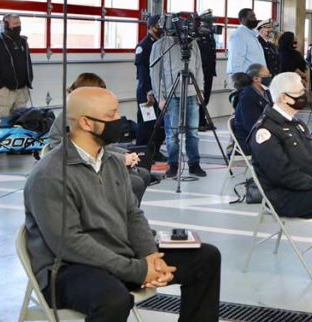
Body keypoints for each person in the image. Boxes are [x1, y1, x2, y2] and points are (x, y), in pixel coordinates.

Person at [24, 87, 232, 322]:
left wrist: (150, 255)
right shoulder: (50, 175)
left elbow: (132, 214)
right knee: (111, 299)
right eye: (110, 117)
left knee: (205, 257)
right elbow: (71, 243)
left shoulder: (110, 162)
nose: (120, 122)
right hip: (66, 269)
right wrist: (138, 270)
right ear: (84, 123)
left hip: (116, 256)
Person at [249, 72, 312, 283]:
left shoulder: (296, 123)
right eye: (299, 93)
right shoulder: (266, 130)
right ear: (283, 97)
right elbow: (281, 174)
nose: (304, 96)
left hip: (307, 186)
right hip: (285, 195)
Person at [46, 73, 153, 205]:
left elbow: (102, 146)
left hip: (89, 159)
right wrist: (122, 159)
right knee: (134, 182)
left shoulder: (88, 113)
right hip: (75, 164)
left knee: (143, 174)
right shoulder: (73, 116)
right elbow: (87, 150)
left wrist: (125, 154)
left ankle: (128, 215)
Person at [150, 27, 205, 179]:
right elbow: (155, 73)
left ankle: (194, 164)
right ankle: (173, 164)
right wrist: (159, 97)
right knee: (172, 133)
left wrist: (200, 90)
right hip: (170, 94)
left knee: (193, 131)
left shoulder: (193, 44)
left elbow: (199, 68)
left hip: (192, 93)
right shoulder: (160, 45)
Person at [0, 13, 33, 118]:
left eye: (19, 23)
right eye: (14, 24)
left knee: (21, 120)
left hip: (22, 89)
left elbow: (27, 62)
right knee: (3, 121)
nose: (17, 27)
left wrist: (29, 80)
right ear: (6, 25)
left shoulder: (23, 42)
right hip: (5, 91)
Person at [133, 15, 165, 155]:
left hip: (160, 89)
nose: (161, 29)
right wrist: (148, 91)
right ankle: (142, 151)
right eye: (158, 26)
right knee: (147, 123)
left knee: (159, 124)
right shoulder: (144, 45)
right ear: (151, 27)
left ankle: (155, 150)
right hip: (147, 91)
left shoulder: (162, 44)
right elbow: (143, 72)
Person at [231, 64, 272, 152]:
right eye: (267, 76)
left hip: (264, 133)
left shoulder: (266, 92)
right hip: (249, 139)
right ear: (256, 78)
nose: (269, 78)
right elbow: (251, 125)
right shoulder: (247, 96)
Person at [226, 8, 266, 75]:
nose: (255, 19)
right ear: (243, 19)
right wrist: (239, 78)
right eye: (252, 16)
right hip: (245, 77)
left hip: (255, 77)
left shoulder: (252, 33)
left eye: (255, 16)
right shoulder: (239, 35)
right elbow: (236, 59)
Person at [195, 25, 218, 132]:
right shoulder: (198, 38)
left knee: (206, 98)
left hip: (209, 72)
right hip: (202, 72)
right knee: (201, 97)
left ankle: (202, 120)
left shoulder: (209, 37)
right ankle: (199, 122)